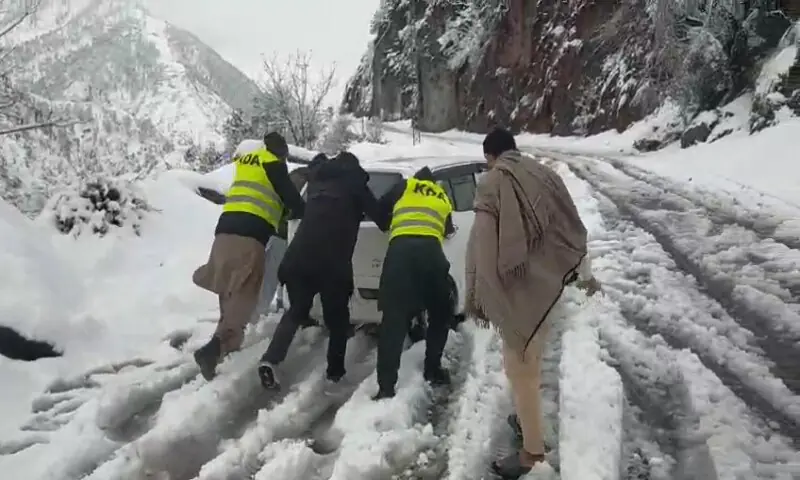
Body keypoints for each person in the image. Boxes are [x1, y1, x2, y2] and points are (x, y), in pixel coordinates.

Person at [464, 127, 601, 479]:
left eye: (487, 161)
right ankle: (530, 421)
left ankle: (532, 454)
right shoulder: (545, 174)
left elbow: (482, 245)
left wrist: (478, 294)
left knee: (519, 369)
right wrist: (584, 274)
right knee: (530, 362)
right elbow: (571, 225)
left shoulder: (493, 182)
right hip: (549, 288)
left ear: (491, 156)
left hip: (521, 293)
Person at [258, 151, 389, 390]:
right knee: (338, 321)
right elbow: (383, 219)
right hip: (331, 263)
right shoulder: (355, 186)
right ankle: (334, 374)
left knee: (296, 311)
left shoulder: (317, 183)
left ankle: (270, 359)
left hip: (297, 258)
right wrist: (394, 194)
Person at [191, 132, 305, 381]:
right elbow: (294, 201)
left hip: (224, 231)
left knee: (229, 287)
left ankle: (223, 343)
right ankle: (218, 346)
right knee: (246, 291)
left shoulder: (248, 161)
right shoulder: (273, 163)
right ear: (282, 153)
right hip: (250, 235)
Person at [372, 166, 456, 401]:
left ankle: (386, 387)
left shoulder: (404, 185)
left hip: (400, 255)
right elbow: (448, 230)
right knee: (441, 313)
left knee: (393, 321)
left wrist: (392, 222)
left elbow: (380, 214)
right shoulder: (441, 195)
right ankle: (433, 369)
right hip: (431, 255)